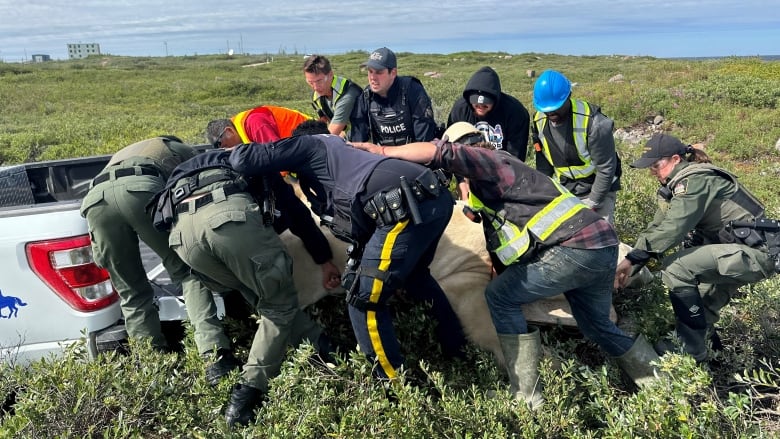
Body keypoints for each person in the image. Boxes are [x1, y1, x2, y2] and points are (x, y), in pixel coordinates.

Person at [352, 122, 662, 410]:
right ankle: (660, 385)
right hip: (600, 246)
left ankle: (527, 396)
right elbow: (500, 244)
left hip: (574, 250)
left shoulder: (488, 161)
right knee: (598, 327)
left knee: (499, 297)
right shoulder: (495, 186)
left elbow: (439, 152)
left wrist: (381, 151)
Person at [227, 121, 468, 384]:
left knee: (362, 301)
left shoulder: (313, 143)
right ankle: (457, 351)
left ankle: (392, 388)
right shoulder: (346, 158)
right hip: (433, 200)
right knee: (416, 277)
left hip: (404, 207)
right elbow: (365, 230)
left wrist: (222, 156)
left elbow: (243, 159)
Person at [152, 146, 336, 427]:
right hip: (228, 219)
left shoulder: (191, 167)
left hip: (182, 239)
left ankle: (327, 348)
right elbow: (296, 213)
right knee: (279, 303)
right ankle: (246, 396)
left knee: (263, 297)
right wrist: (323, 257)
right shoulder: (253, 160)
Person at [615, 133, 778, 363]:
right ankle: (714, 359)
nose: (653, 172)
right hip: (734, 251)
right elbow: (658, 226)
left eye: (656, 165)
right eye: (650, 168)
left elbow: (674, 228)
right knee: (700, 303)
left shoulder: (694, 181)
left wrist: (633, 259)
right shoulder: (675, 186)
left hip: (756, 253)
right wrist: (632, 262)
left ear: (675, 159)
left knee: (675, 267)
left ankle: (690, 348)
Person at [80, 136, 208, 352]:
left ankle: (151, 362)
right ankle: (212, 352)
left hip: (96, 201)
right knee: (189, 273)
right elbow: (202, 186)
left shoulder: (127, 152)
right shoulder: (178, 148)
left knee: (131, 291)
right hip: (141, 189)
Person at [531, 69, 622, 224]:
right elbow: (543, 165)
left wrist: (592, 203)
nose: (551, 113)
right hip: (566, 188)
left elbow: (606, 168)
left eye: (556, 107)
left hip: (598, 188)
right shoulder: (538, 121)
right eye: (546, 110)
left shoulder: (595, 123)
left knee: (599, 239)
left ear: (568, 96)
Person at [350, 47, 437, 146]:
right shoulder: (366, 97)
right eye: (370, 71)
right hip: (382, 157)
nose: (372, 78)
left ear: (393, 73)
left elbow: (425, 143)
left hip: (415, 157)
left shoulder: (413, 90)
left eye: (379, 72)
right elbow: (357, 142)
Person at [302, 54, 362, 137]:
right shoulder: (316, 95)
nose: (315, 87)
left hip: (365, 142)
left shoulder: (347, 95)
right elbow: (323, 121)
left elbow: (331, 134)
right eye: (310, 82)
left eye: (319, 81)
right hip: (345, 137)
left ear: (330, 75)